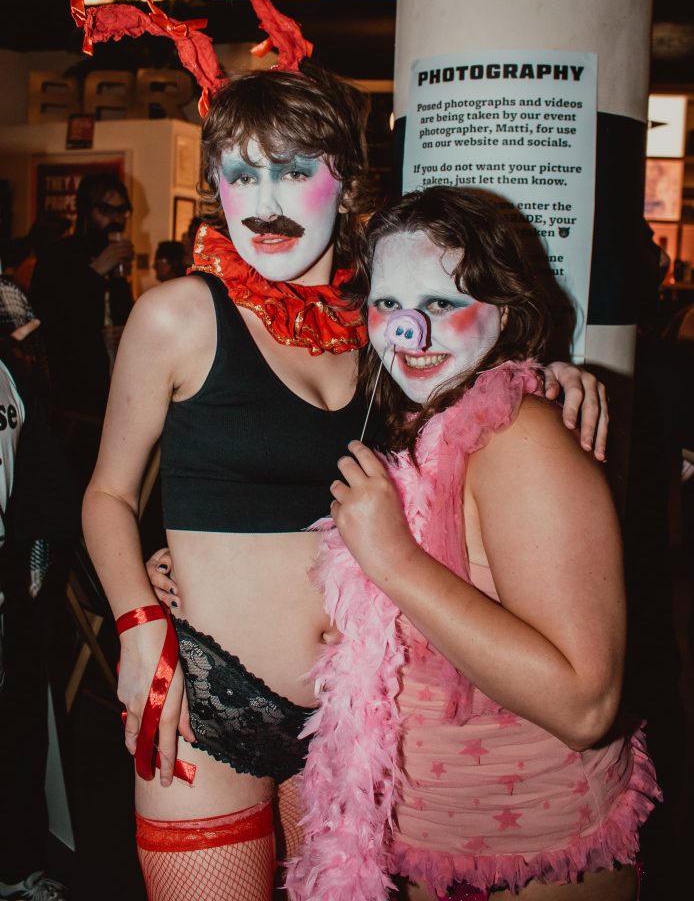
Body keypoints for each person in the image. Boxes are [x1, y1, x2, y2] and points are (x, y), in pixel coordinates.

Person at [82, 60, 608, 901]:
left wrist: (552, 374)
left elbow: (461, 392)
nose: (265, 200)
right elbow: (107, 494)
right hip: (207, 696)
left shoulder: (379, 326)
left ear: (346, 180)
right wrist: (138, 622)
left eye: (294, 171)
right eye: (242, 173)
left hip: (351, 722)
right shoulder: (177, 314)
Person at [285, 186, 660, 901]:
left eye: (438, 305)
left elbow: (586, 705)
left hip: (535, 864)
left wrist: (393, 560)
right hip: (434, 850)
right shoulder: (418, 423)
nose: (409, 334)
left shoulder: (521, 439)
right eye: (390, 305)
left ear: (507, 313)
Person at [0, 280, 81, 901]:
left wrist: (32, 568)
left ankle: (16, 866)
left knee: (17, 726)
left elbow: (44, 478)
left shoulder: (9, 374)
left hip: (10, 590)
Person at [30, 172, 135, 489]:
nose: (115, 220)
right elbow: (46, 319)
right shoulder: (57, 255)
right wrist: (94, 272)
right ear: (86, 211)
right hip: (70, 396)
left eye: (121, 211)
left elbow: (120, 314)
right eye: (106, 211)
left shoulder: (117, 260)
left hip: (109, 389)